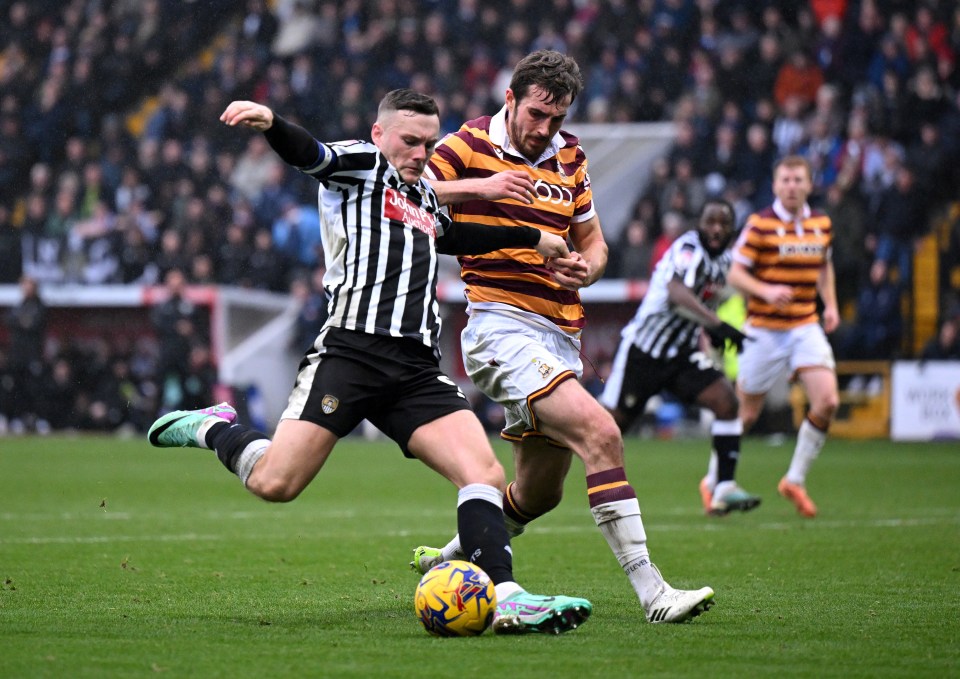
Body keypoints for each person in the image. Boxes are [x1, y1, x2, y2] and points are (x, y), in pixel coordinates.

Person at [147, 89, 591, 636]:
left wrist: (535, 238)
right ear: (380, 134)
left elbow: (462, 234)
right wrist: (271, 123)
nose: (420, 153)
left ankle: (507, 595)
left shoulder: (426, 198)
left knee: (483, 472)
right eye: (410, 141)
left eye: (429, 143)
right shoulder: (363, 163)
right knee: (276, 483)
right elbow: (310, 153)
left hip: (415, 369)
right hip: (351, 354)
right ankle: (216, 429)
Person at [411, 50, 714, 624]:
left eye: (556, 117)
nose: (544, 128)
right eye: (536, 114)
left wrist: (589, 268)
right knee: (602, 433)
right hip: (499, 324)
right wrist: (488, 190)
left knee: (539, 493)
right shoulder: (465, 147)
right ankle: (654, 593)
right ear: (510, 99)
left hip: (559, 334)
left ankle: (451, 560)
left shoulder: (570, 154)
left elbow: (593, 240)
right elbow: (408, 199)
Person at [598, 199, 761, 517]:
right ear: (699, 224)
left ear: (731, 229)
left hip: (681, 356)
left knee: (727, 402)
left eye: (723, 223)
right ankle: (573, 459)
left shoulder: (725, 262)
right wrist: (715, 324)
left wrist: (711, 331)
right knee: (609, 429)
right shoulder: (688, 249)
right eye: (710, 222)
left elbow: (705, 301)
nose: (716, 229)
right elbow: (677, 293)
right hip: (644, 352)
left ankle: (724, 487)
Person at [727, 155, 840, 518]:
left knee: (827, 401)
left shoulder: (821, 223)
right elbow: (735, 274)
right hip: (763, 329)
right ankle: (715, 481)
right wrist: (766, 290)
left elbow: (824, 266)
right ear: (775, 186)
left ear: (809, 184)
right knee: (745, 414)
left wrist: (831, 306)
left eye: (798, 180)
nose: (792, 186)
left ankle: (794, 479)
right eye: (785, 180)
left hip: (804, 325)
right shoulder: (759, 224)